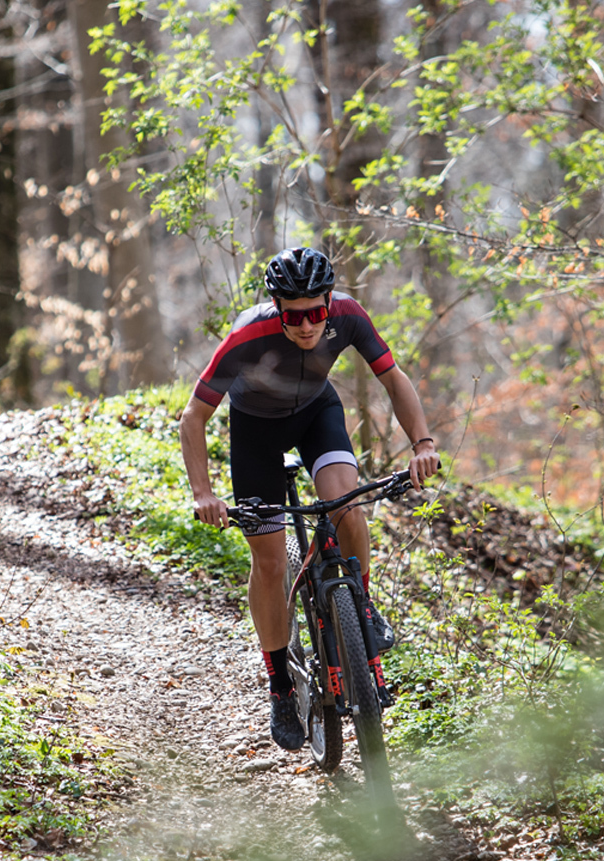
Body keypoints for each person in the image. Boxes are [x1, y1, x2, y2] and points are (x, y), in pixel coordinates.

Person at [179, 247, 440, 751]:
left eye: (316, 313)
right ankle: (280, 685)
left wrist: (423, 444)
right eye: (293, 315)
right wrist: (204, 494)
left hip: (317, 415)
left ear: (329, 301)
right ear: (277, 307)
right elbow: (193, 417)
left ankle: (360, 607)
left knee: (347, 506)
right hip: (255, 433)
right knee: (270, 562)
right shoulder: (248, 335)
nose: (306, 325)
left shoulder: (348, 315)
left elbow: (392, 377)